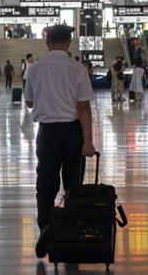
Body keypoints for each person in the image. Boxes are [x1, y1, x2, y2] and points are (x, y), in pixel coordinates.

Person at [23, 25, 96, 258]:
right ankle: (71, 232)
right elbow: (84, 108)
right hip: (73, 132)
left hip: (47, 134)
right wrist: (88, 142)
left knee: (45, 183)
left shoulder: (35, 69)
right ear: (69, 43)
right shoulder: (78, 69)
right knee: (73, 184)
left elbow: (29, 102)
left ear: (47, 42)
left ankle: (46, 227)